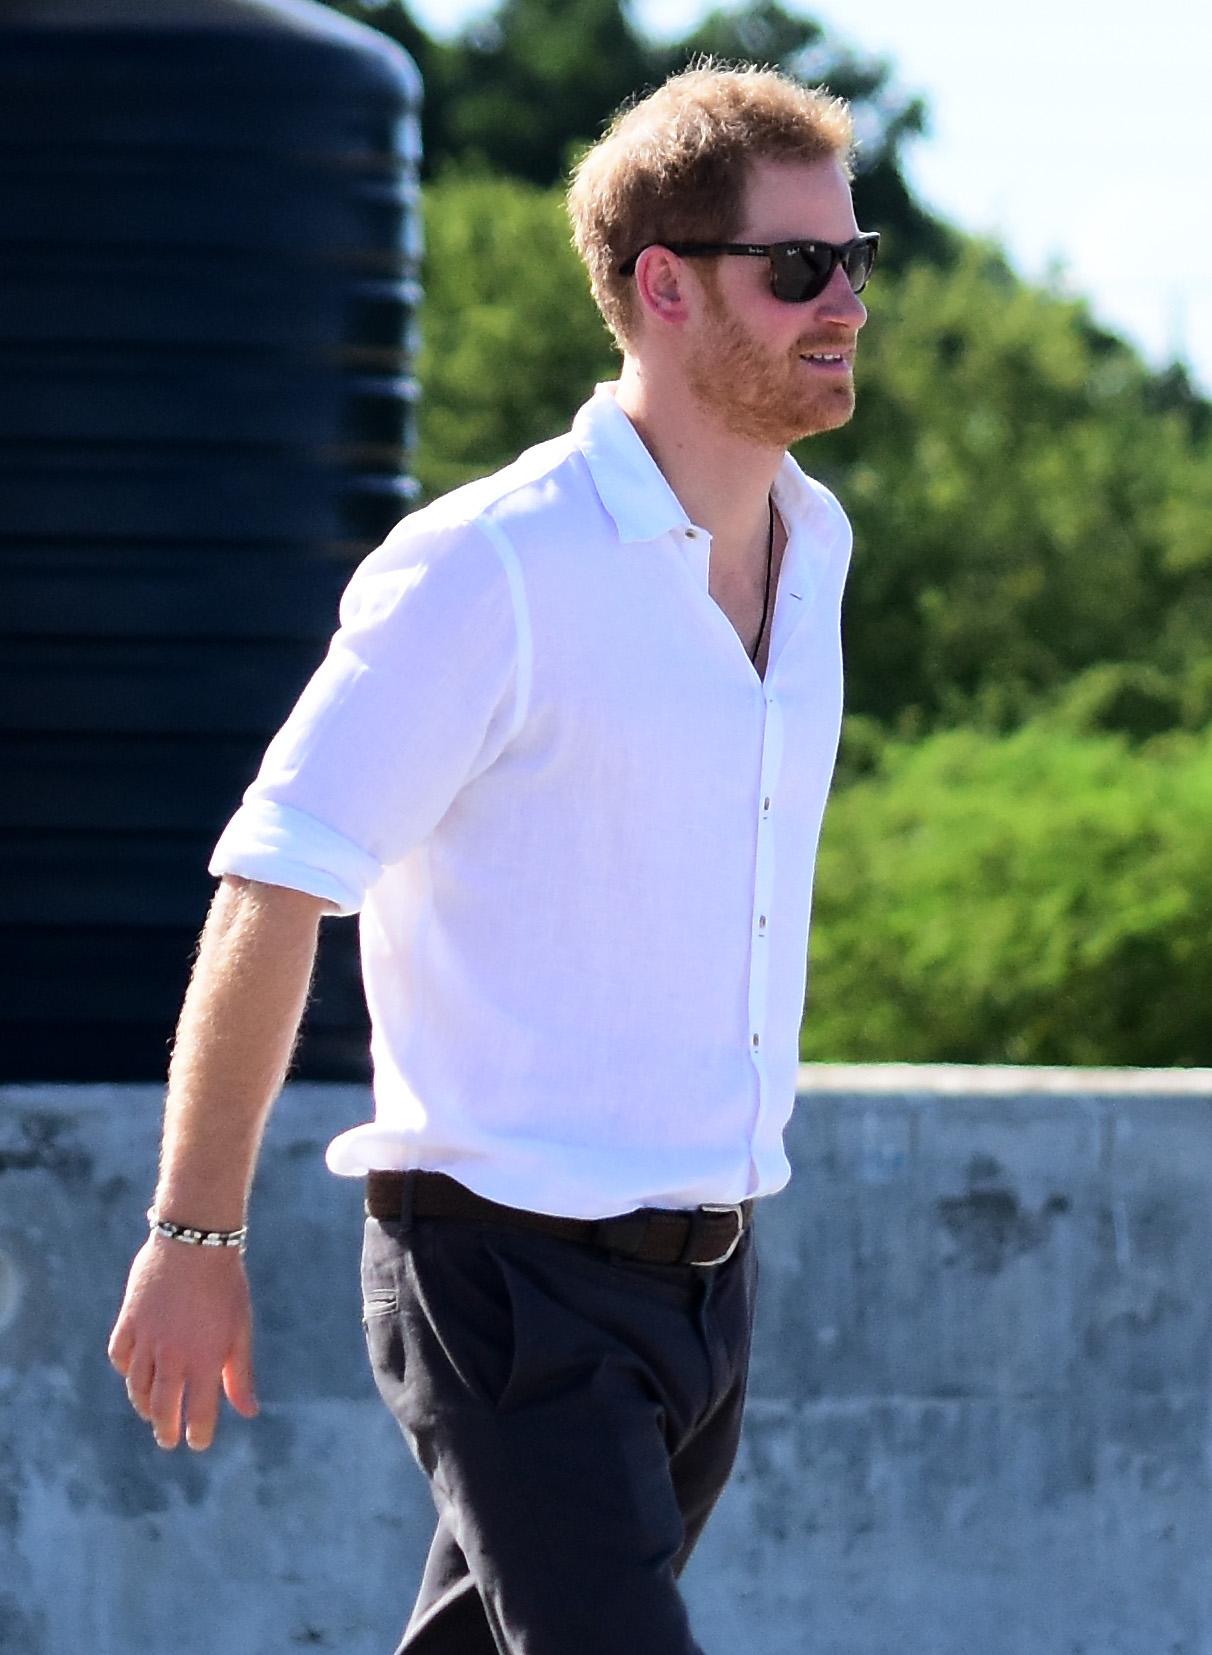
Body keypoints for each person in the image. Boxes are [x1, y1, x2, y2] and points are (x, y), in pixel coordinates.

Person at [108, 59, 876, 1655]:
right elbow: (275, 880)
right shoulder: (491, 567)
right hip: (504, 1279)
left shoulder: (819, 550)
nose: (843, 302)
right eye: (798, 267)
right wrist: (194, 1232)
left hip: (710, 1278)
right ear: (664, 285)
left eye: (853, 261)